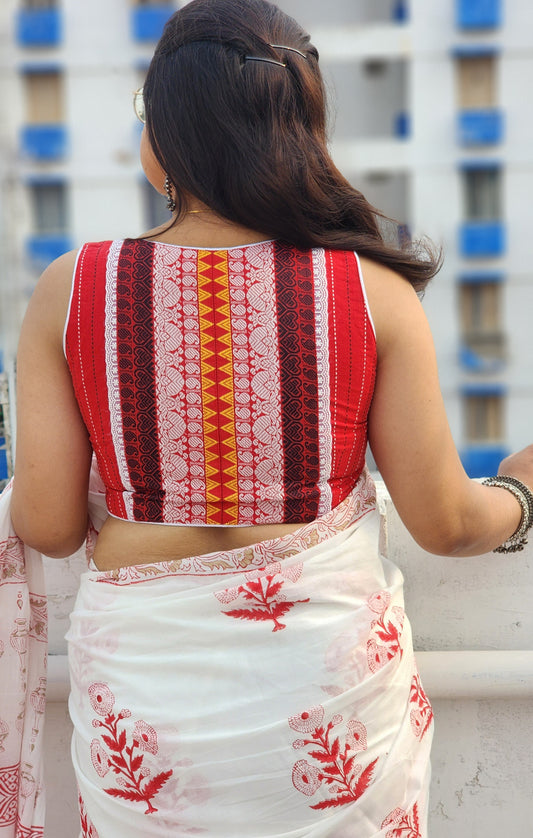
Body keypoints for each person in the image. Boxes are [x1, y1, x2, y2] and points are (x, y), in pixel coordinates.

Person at [9, 0, 533, 835]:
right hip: (328, 698)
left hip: (146, 704)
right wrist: (521, 490)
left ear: (165, 133)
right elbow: (446, 524)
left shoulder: (73, 290)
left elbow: (46, 524)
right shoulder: (372, 293)